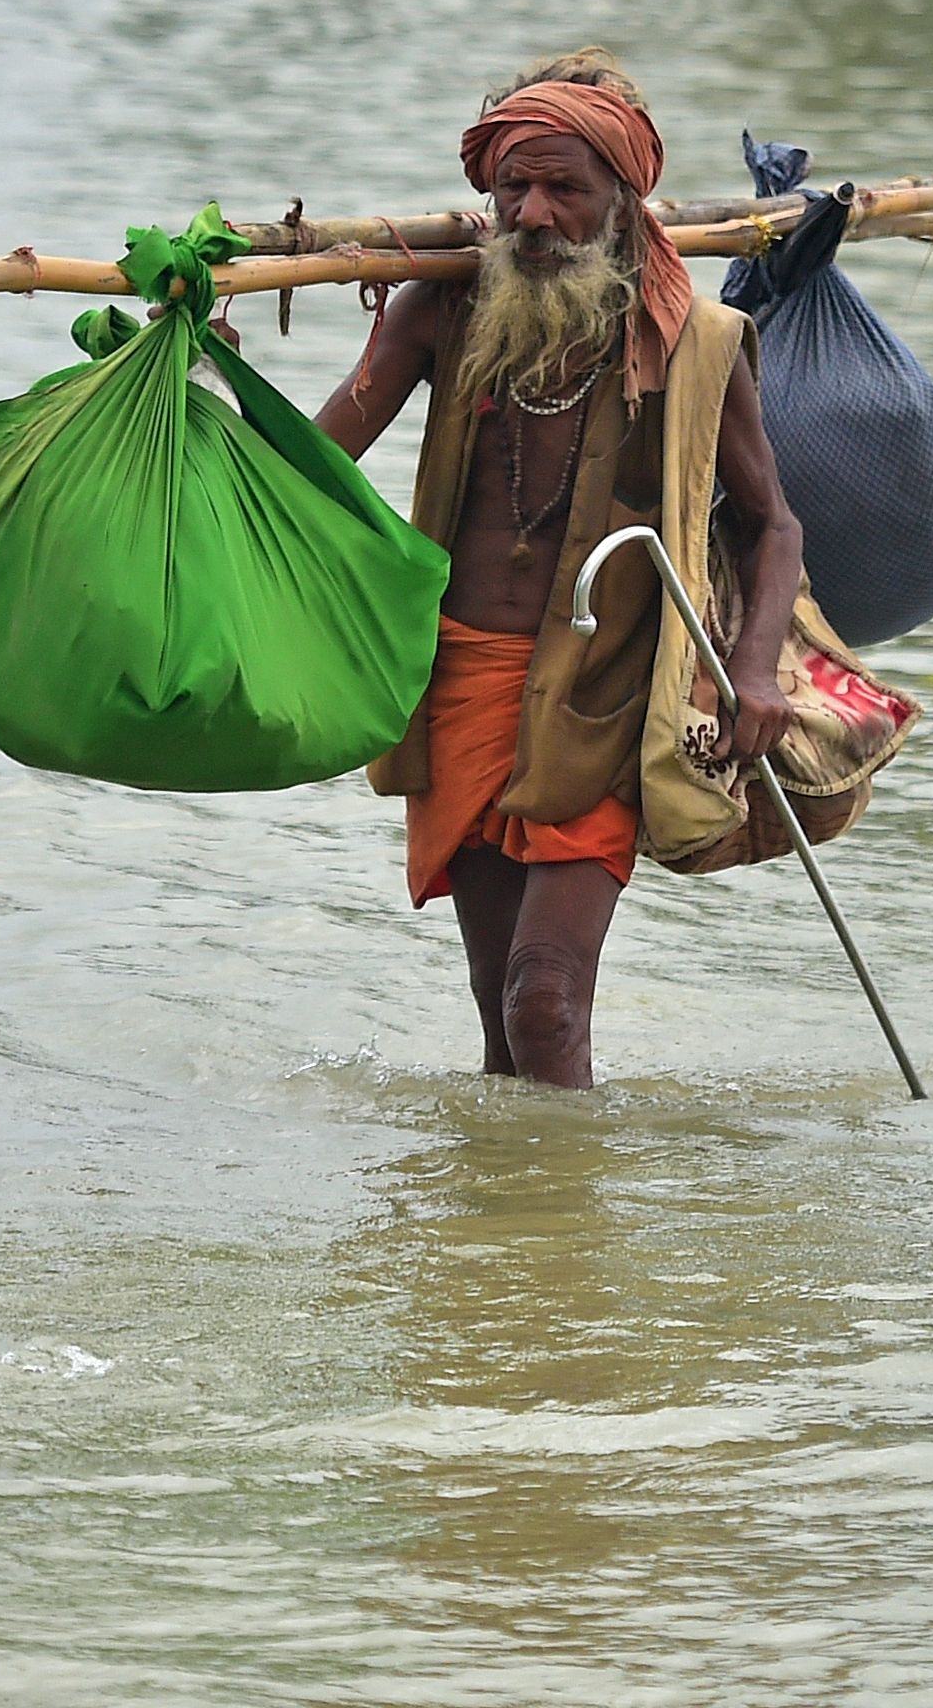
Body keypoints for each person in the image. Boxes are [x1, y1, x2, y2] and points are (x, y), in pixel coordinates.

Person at [308, 54, 802, 1090]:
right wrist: (178, 365)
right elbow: (307, 471)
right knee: (502, 1018)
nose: (532, 214)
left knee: (543, 994)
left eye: (565, 190)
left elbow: (770, 525)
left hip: (603, 690)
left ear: (622, 205)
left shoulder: (695, 341)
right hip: (458, 684)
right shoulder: (438, 314)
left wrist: (753, 672)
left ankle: (573, 1236)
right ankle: (515, 1230)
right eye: (511, 191)